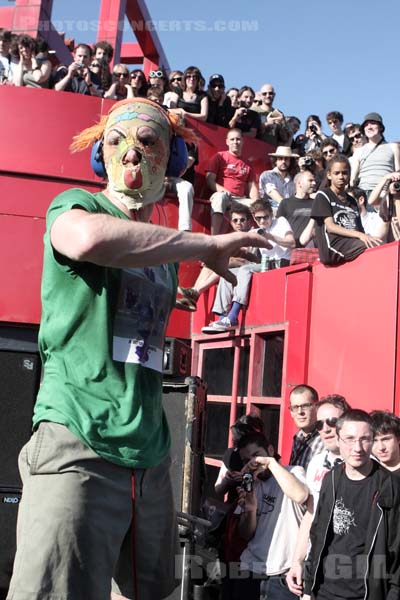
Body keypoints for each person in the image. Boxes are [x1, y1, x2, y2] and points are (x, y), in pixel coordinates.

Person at [6, 98, 270, 600]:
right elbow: (84, 242)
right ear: (100, 157)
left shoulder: (163, 254)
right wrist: (203, 245)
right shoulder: (75, 207)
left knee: (152, 592)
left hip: (149, 455)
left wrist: (183, 291)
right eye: (117, 142)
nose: (132, 153)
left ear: (172, 159)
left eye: (148, 142)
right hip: (78, 438)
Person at [303, 409, 400, 600]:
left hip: (365, 594)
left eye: (365, 439)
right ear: (338, 440)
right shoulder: (331, 479)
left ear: (372, 440)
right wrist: (308, 588)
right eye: (350, 439)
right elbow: (317, 534)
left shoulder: (391, 485)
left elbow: (397, 551)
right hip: (324, 591)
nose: (357, 448)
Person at [229, 431, 309, 600]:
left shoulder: (294, 472)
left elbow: (301, 495)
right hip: (250, 568)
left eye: (256, 456)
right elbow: (245, 534)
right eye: (246, 460)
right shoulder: (251, 484)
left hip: (283, 575)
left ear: (270, 451)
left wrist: (270, 464)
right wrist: (250, 510)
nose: (253, 463)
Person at [286, 395, 350, 596]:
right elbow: (311, 514)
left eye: (332, 422)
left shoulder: (368, 463)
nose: (326, 428)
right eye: (320, 423)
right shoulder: (316, 462)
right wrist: (297, 561)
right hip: (315, 563)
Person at [202, 199, 294, 333]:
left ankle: (233, 315)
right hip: (265, 266)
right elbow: (249, 254)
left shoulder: (280, 222)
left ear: (271, 214)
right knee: (227, 273)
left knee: (245, 270)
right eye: (258, 218)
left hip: (280, 264)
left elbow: (291, 243)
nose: (262, 221)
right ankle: (222, 317)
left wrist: (269, 236)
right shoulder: (256, 231)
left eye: (265, 217)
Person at [175, 204, 257, 311]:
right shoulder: (232, 237)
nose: (239, 223)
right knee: (210, 264)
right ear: (231, 223)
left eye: (242, 220)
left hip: (249, 267)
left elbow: (248, 258)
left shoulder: (252, 234)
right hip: (233, 266)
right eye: (235, 220)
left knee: (219, 263)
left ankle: (195, 292)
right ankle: (192, 298)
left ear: (249, 221)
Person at [310, 154, 381, 265]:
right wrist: (361, 236)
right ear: (329, 175)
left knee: (379, 245)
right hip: (332, 247)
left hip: (352, 243)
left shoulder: (352, 201)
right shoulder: (323, 195)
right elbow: (331, 227)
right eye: (336, 173)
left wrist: (365, 237)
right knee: (368, 246)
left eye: (344, 173)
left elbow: (359, 230)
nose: (341, 177)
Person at [206, 128, 259, 235]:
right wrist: (223, 191)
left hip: (241, 200)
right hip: (224, 196)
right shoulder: (219, 156)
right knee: (219, 198)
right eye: (232, 139)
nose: (235, 142)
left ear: (243, 141)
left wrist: (257, 204)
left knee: (265, 209)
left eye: (238, 139)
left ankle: (260, 241)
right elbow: (209, 180)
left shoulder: (248, 163)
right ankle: (213, 238)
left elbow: (252, 187)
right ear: (227, 142)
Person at [214, 413, 265, 501]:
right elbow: (218, 489)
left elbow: (272, 486)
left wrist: (246, 478)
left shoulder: (268, 456)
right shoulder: (231, 454)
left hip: (259, 508)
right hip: (234, 507)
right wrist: (227, 479)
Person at [350, 112, 400, 196]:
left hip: (385, 193)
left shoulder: (393, 147)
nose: (369, 127)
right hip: (364, 195)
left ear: (380, 127)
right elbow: (352, 180)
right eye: (366, 125)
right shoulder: (358, 151)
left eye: (373, 123)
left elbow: (398, 172)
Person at [276, 171, 317, 247]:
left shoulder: (317, 204)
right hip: (290, 249)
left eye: (314, 181)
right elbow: (279, 227)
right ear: (299, 183)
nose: (314, 183)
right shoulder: (285, 203)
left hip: (311, 248)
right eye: (310, 180)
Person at [289, 384, 324, 469]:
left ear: (317, 407)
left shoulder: (326, 437)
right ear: (291, 412)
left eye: (305, 406)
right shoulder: (298, 437)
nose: (300, 412)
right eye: (295, 407)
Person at [259, 146, 298, 211]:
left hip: (288, 213)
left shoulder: (293, 179)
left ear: (290, 161)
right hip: (270, 212)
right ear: (275, 161)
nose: (283, 161)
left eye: (286, 159)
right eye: (280, 158)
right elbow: (272, 193)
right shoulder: (267, 175)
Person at [371, 410, 400, 475]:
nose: (381, 447)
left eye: (386, 439)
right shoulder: (367, 474)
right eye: (374, 441)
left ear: (398, 439)